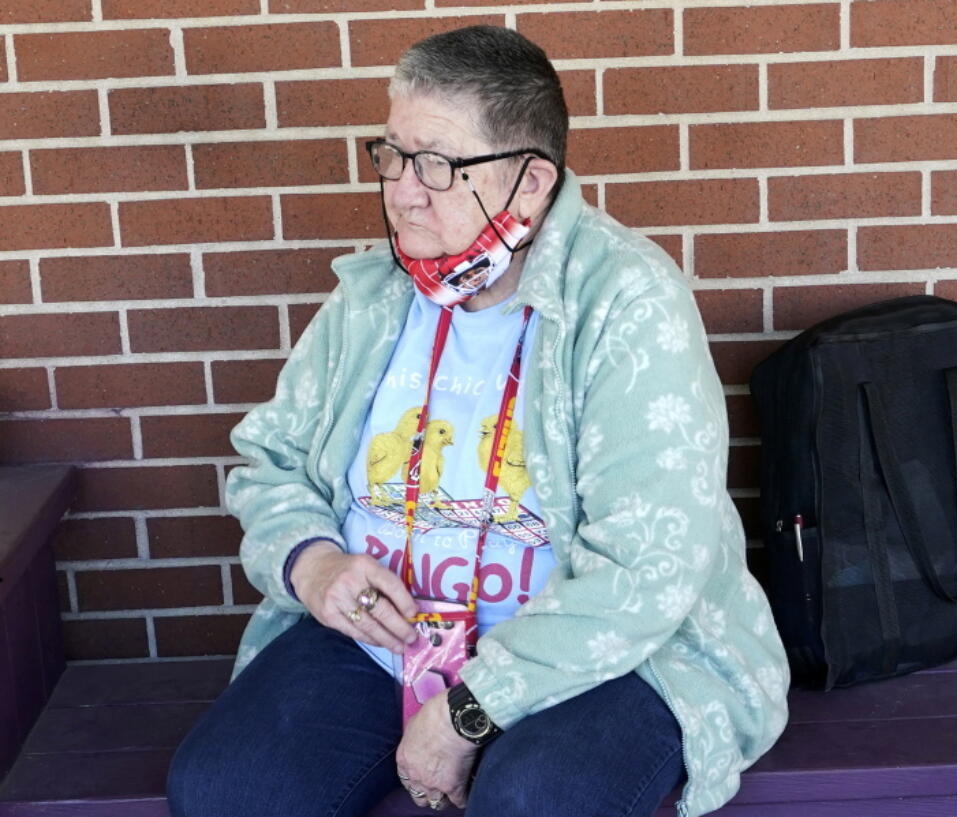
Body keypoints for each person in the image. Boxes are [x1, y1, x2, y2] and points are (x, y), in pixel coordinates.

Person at [166, 25, 788, 817]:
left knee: (535, 801)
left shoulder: (626, 302)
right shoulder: (377, 294)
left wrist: (468, 711)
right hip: (383, 639)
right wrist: (316, 566)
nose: (401, 189)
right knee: (226, 791)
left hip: (594, 654)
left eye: (437, 163)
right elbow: (271, 460)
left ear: (530, 183)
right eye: (391, 153)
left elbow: (646, 566)